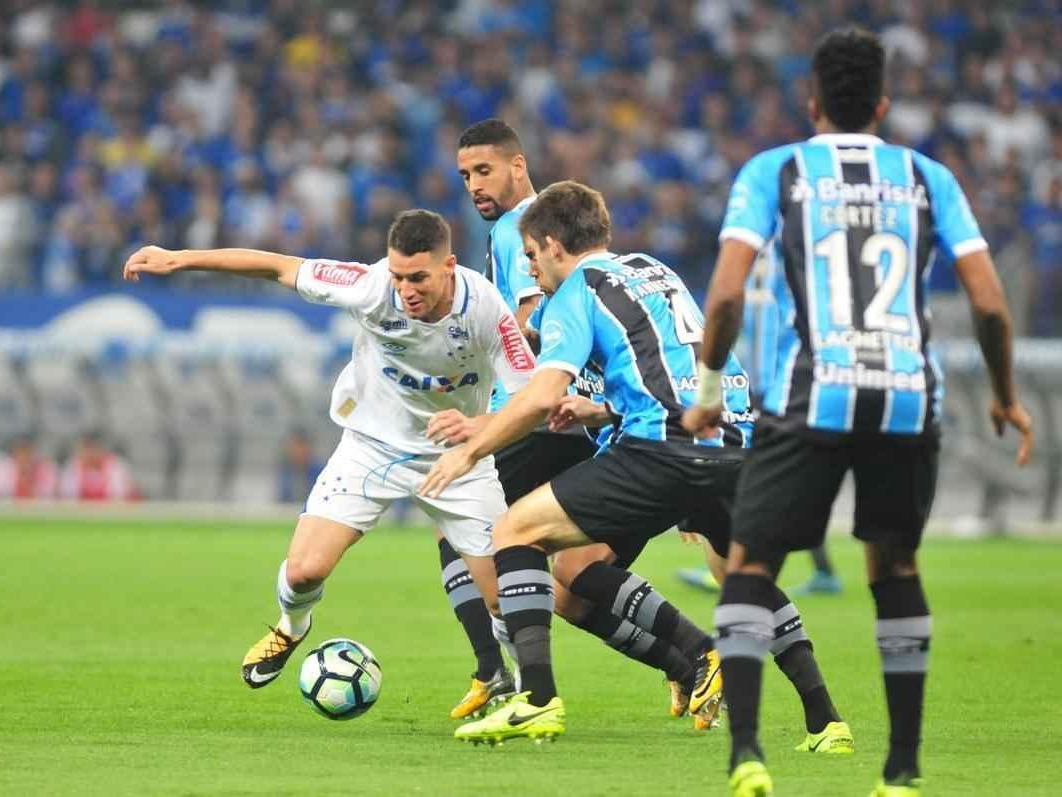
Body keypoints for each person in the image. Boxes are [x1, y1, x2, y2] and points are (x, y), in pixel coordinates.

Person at [680, 28, 1034, 797]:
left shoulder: (774, 172)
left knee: (748, 566)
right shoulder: (928, 176)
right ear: (881, 104)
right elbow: (991, 305)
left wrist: (707, 391)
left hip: (811, 395)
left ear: (811, 103)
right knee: (896, 569)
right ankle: (902, 769)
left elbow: (729, 292)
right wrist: (1005, 394)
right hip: (908, 400)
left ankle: (747, 754)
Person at [422, 181, 849, 753]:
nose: (532, 272)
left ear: (552, 244)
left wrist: (471, 448)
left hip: (659, 452)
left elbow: (543, 393)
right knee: (725, 576)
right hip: (732, 443)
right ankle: (826, 722)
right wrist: (601, 409)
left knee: (516, 530)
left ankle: (538, 700)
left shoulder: (576, 291)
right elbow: (679, 367)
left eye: (530, 258)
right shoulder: (655, 271)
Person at [122, 209, 536, 692]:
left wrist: (477, 426)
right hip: (372, 447)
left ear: (449, 267)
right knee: (303, 571)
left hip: (456, 459)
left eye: (419, 278)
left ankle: (525, 691)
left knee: (502, 600)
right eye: (399, 276)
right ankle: (291, 627)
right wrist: (179, 260)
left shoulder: (484, 308)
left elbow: (531, 397)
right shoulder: (369, 286)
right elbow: (278, 266)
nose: (406, 291)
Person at [443, 119, 701, 722]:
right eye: (464, 176)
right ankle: (688, 659)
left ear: (517, 164)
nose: (475, 185)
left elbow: (537, 323)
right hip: (603, 420)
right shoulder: (536, 227)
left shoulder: (522, 231)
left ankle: (504, 677)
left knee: (458, 502)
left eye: (484, 170)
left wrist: (480, 349)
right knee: (572, 580)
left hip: (554, 414)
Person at [676, 249, 843, 597]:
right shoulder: (758, 261)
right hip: (750, 385)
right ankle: (742, 559)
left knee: (770, 484)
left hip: (776, 388)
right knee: (763, 481)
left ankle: (744, 565)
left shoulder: (786, 258)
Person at [57, 432, 135, 501]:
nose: (91, 453)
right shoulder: (73, 467)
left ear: (101, 448)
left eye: (94, 448)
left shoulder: (116, 467)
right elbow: (67, 497)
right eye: (87, 448)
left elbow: (120, 496)